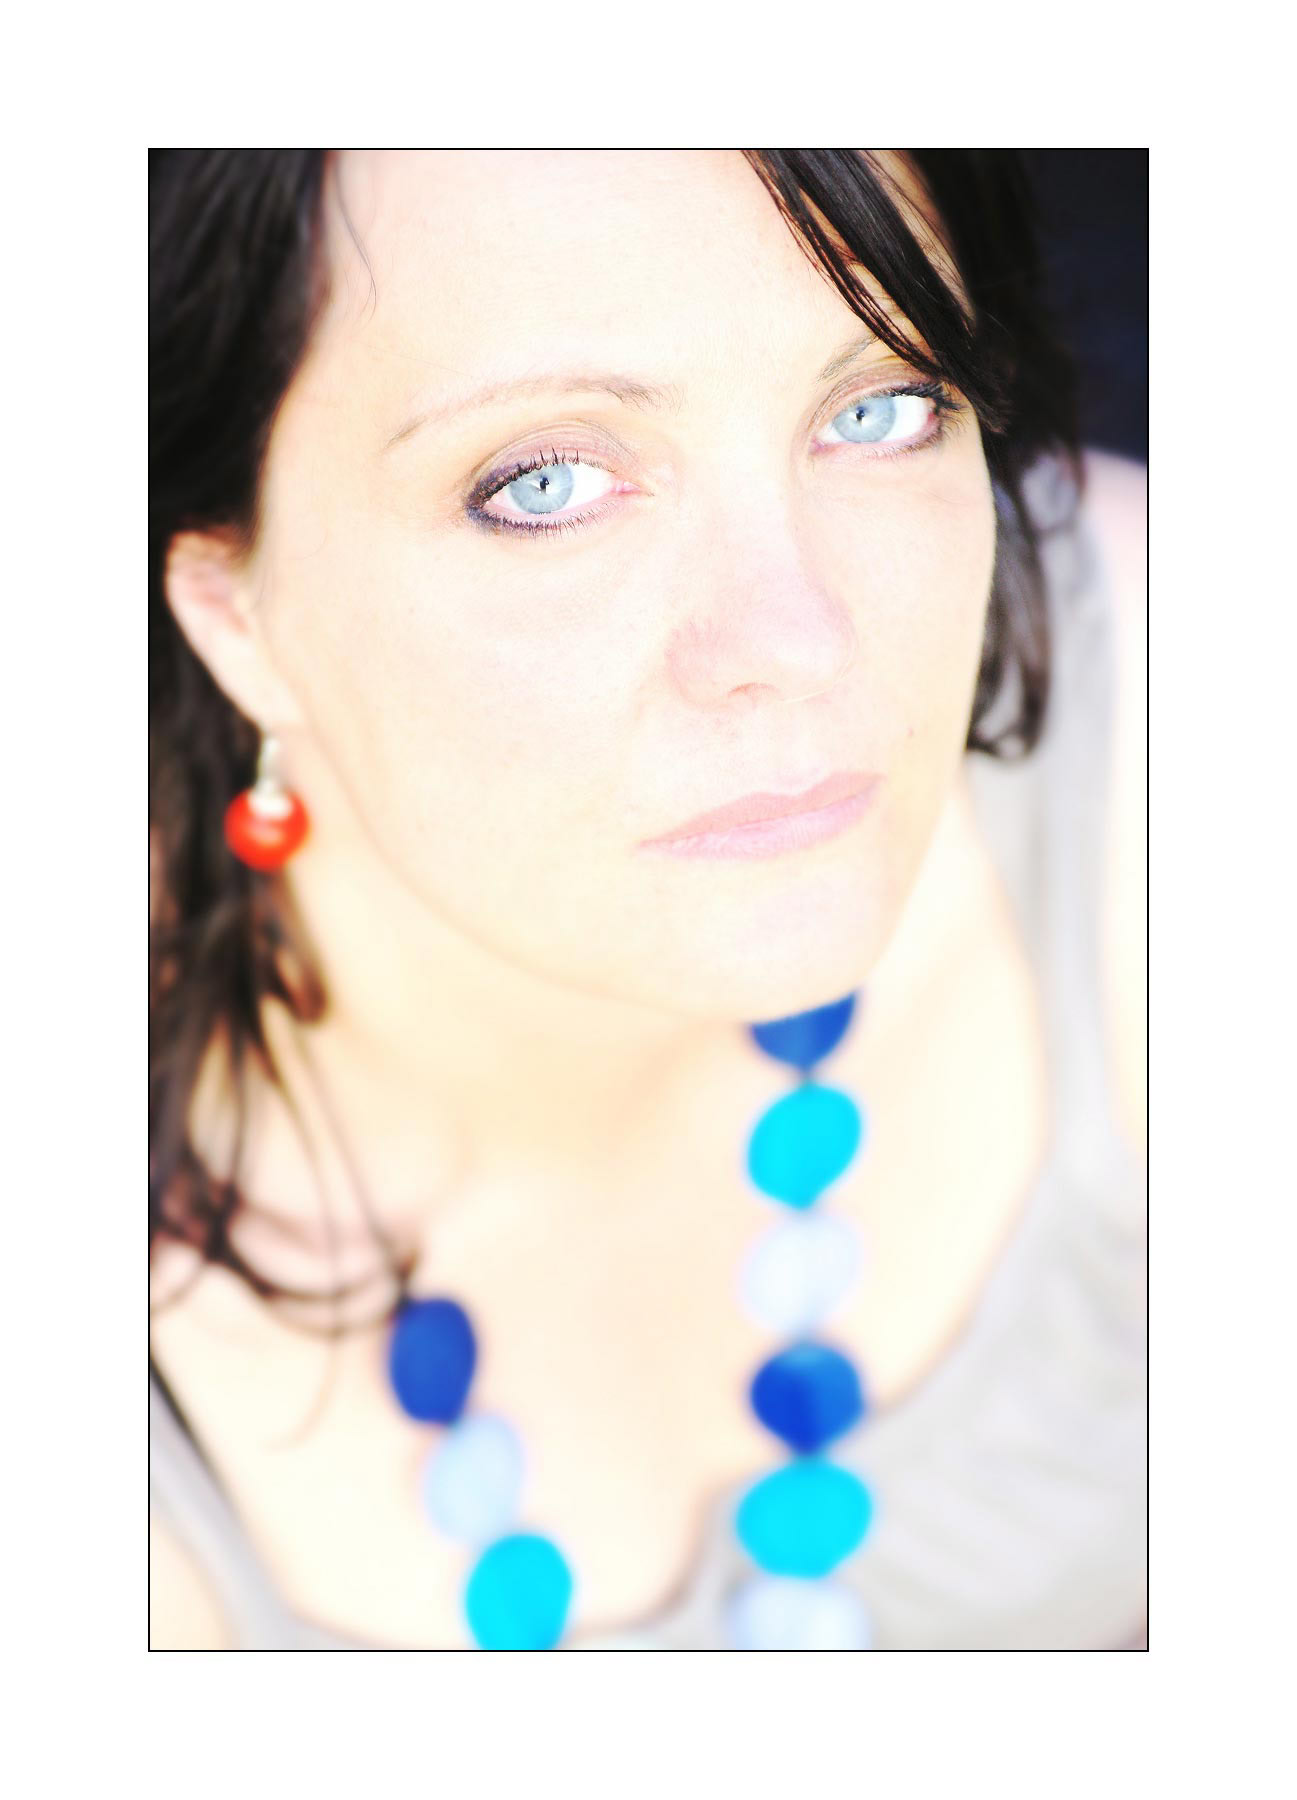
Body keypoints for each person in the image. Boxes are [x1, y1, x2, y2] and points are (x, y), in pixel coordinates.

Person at [149, 149, 1147, 1650]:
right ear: (235, 610)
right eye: (544, 485)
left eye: (881, 406)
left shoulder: (1159, 721)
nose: (798, 638)